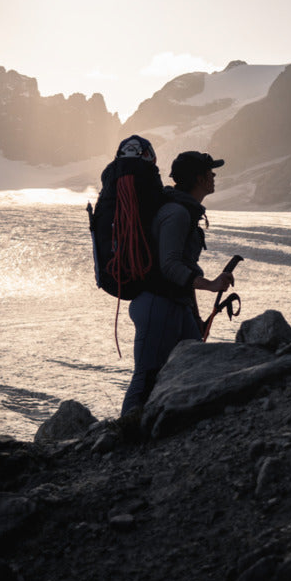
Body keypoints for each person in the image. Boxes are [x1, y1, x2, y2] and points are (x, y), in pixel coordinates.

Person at [121, 151, 234, 417]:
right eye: (210, 171)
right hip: (157, 306)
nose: (214, 175)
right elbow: (170, 266)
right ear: (198, 178)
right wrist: (210, 285)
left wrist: (194, 315)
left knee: (194, 367)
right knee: (146, 378)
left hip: (174, 306)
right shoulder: (177, 213)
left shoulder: (184, 211)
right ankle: (120, 443)